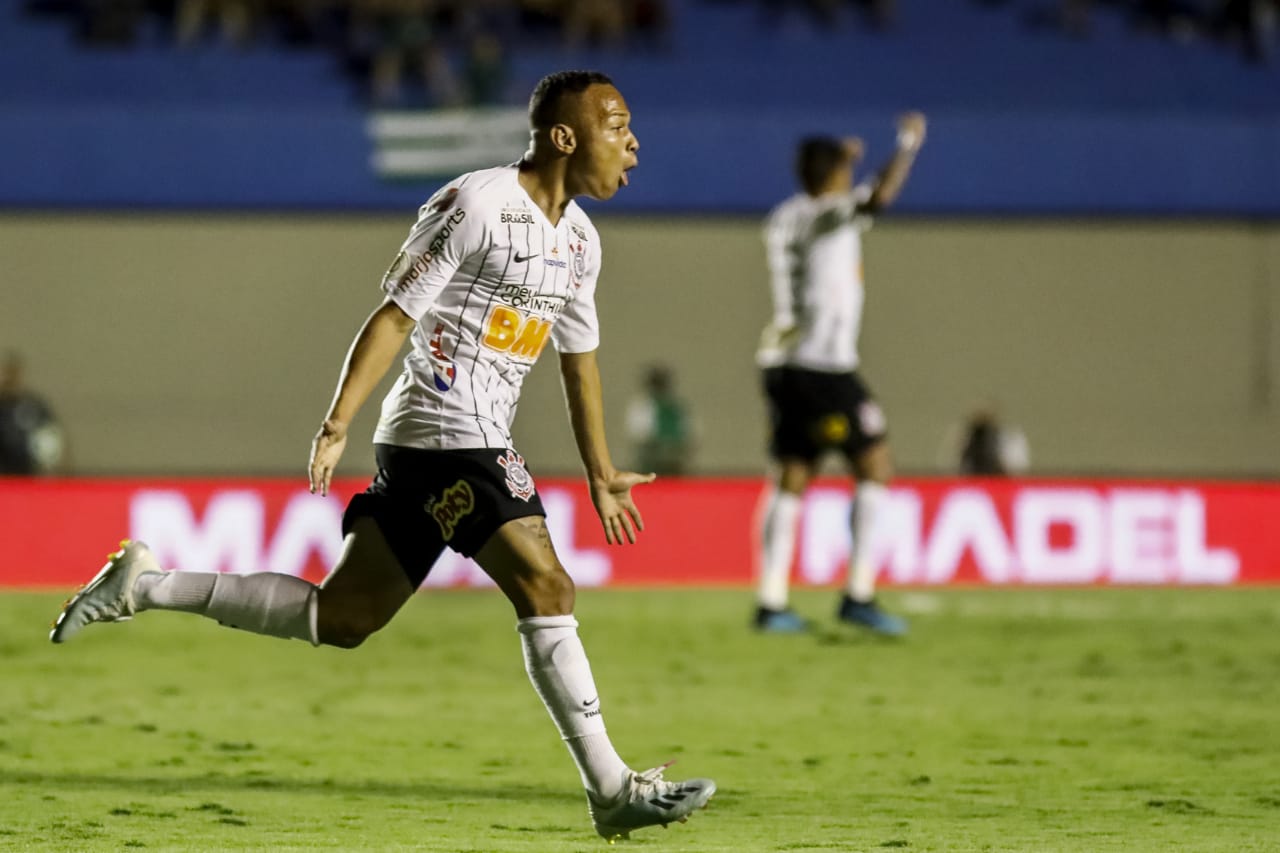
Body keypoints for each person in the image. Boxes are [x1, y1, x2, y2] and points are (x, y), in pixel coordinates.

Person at [49, 69, 715, 843]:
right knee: (547, 583)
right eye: (618, 123)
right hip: (443, 428)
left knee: (345, 616)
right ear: (565, 136)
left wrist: (601, 470)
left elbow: (581, 362)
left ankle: (146, 585)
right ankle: (611, 789)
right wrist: (337, 421)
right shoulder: (477, 205)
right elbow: (397, 313)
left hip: (458, 440)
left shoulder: (582, 244)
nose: (633, 142)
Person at [752, 114, 926, 636]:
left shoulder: (785, 216)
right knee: (874, 461)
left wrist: (842, 160)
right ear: (832, 177)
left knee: (793, 474)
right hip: (822, 366)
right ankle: (859, 594)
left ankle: (771, 601)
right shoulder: (829, 212)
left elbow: (848, 199)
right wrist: (907, 145)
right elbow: (877, 197)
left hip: (782, 364)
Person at [0, 350, 65, 475]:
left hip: (28, 474)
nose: (7, 378)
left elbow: (51, 435)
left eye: (12, 373)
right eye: (4, 373)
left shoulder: (33, 406)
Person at [624, 363, 693, 476]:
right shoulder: (641, 406)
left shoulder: (678, 407)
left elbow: (689, 435)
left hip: (675, 464)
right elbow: (638, 436)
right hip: (649, 464)